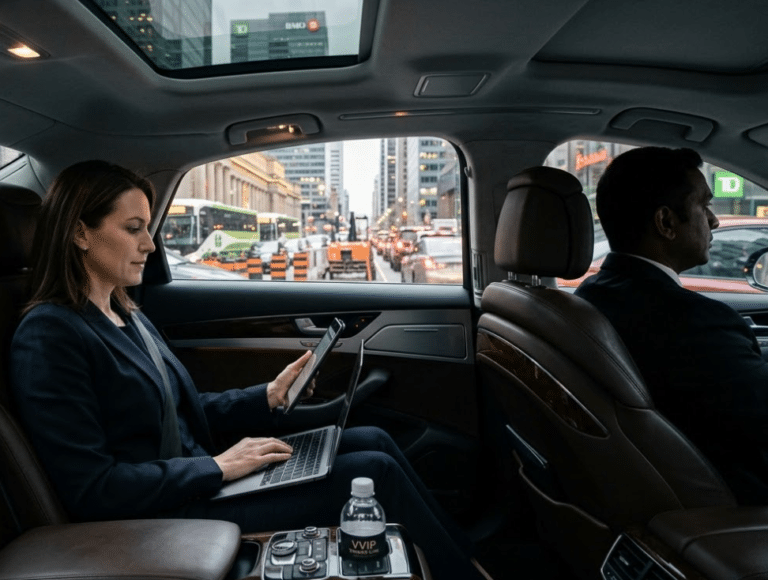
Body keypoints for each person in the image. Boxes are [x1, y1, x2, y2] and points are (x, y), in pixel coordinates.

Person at [9, 160, 482, 580]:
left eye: (148, 228)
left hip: (197, 475)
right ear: (80, 233)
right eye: (133, 228)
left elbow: (179, 411)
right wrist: (217, 467)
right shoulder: (50, 336)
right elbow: (92, 489)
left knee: (373, 438)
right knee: (374, 471)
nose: (150, 244)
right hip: (167, 507)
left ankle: (462, 561)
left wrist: (267, 396)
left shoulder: (124, 312)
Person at [575, 146, 768, 504]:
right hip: (732, 508)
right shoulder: (696, 324)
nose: (714, 221)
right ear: (665, 223)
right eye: (704, 206)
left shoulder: (591, 295)